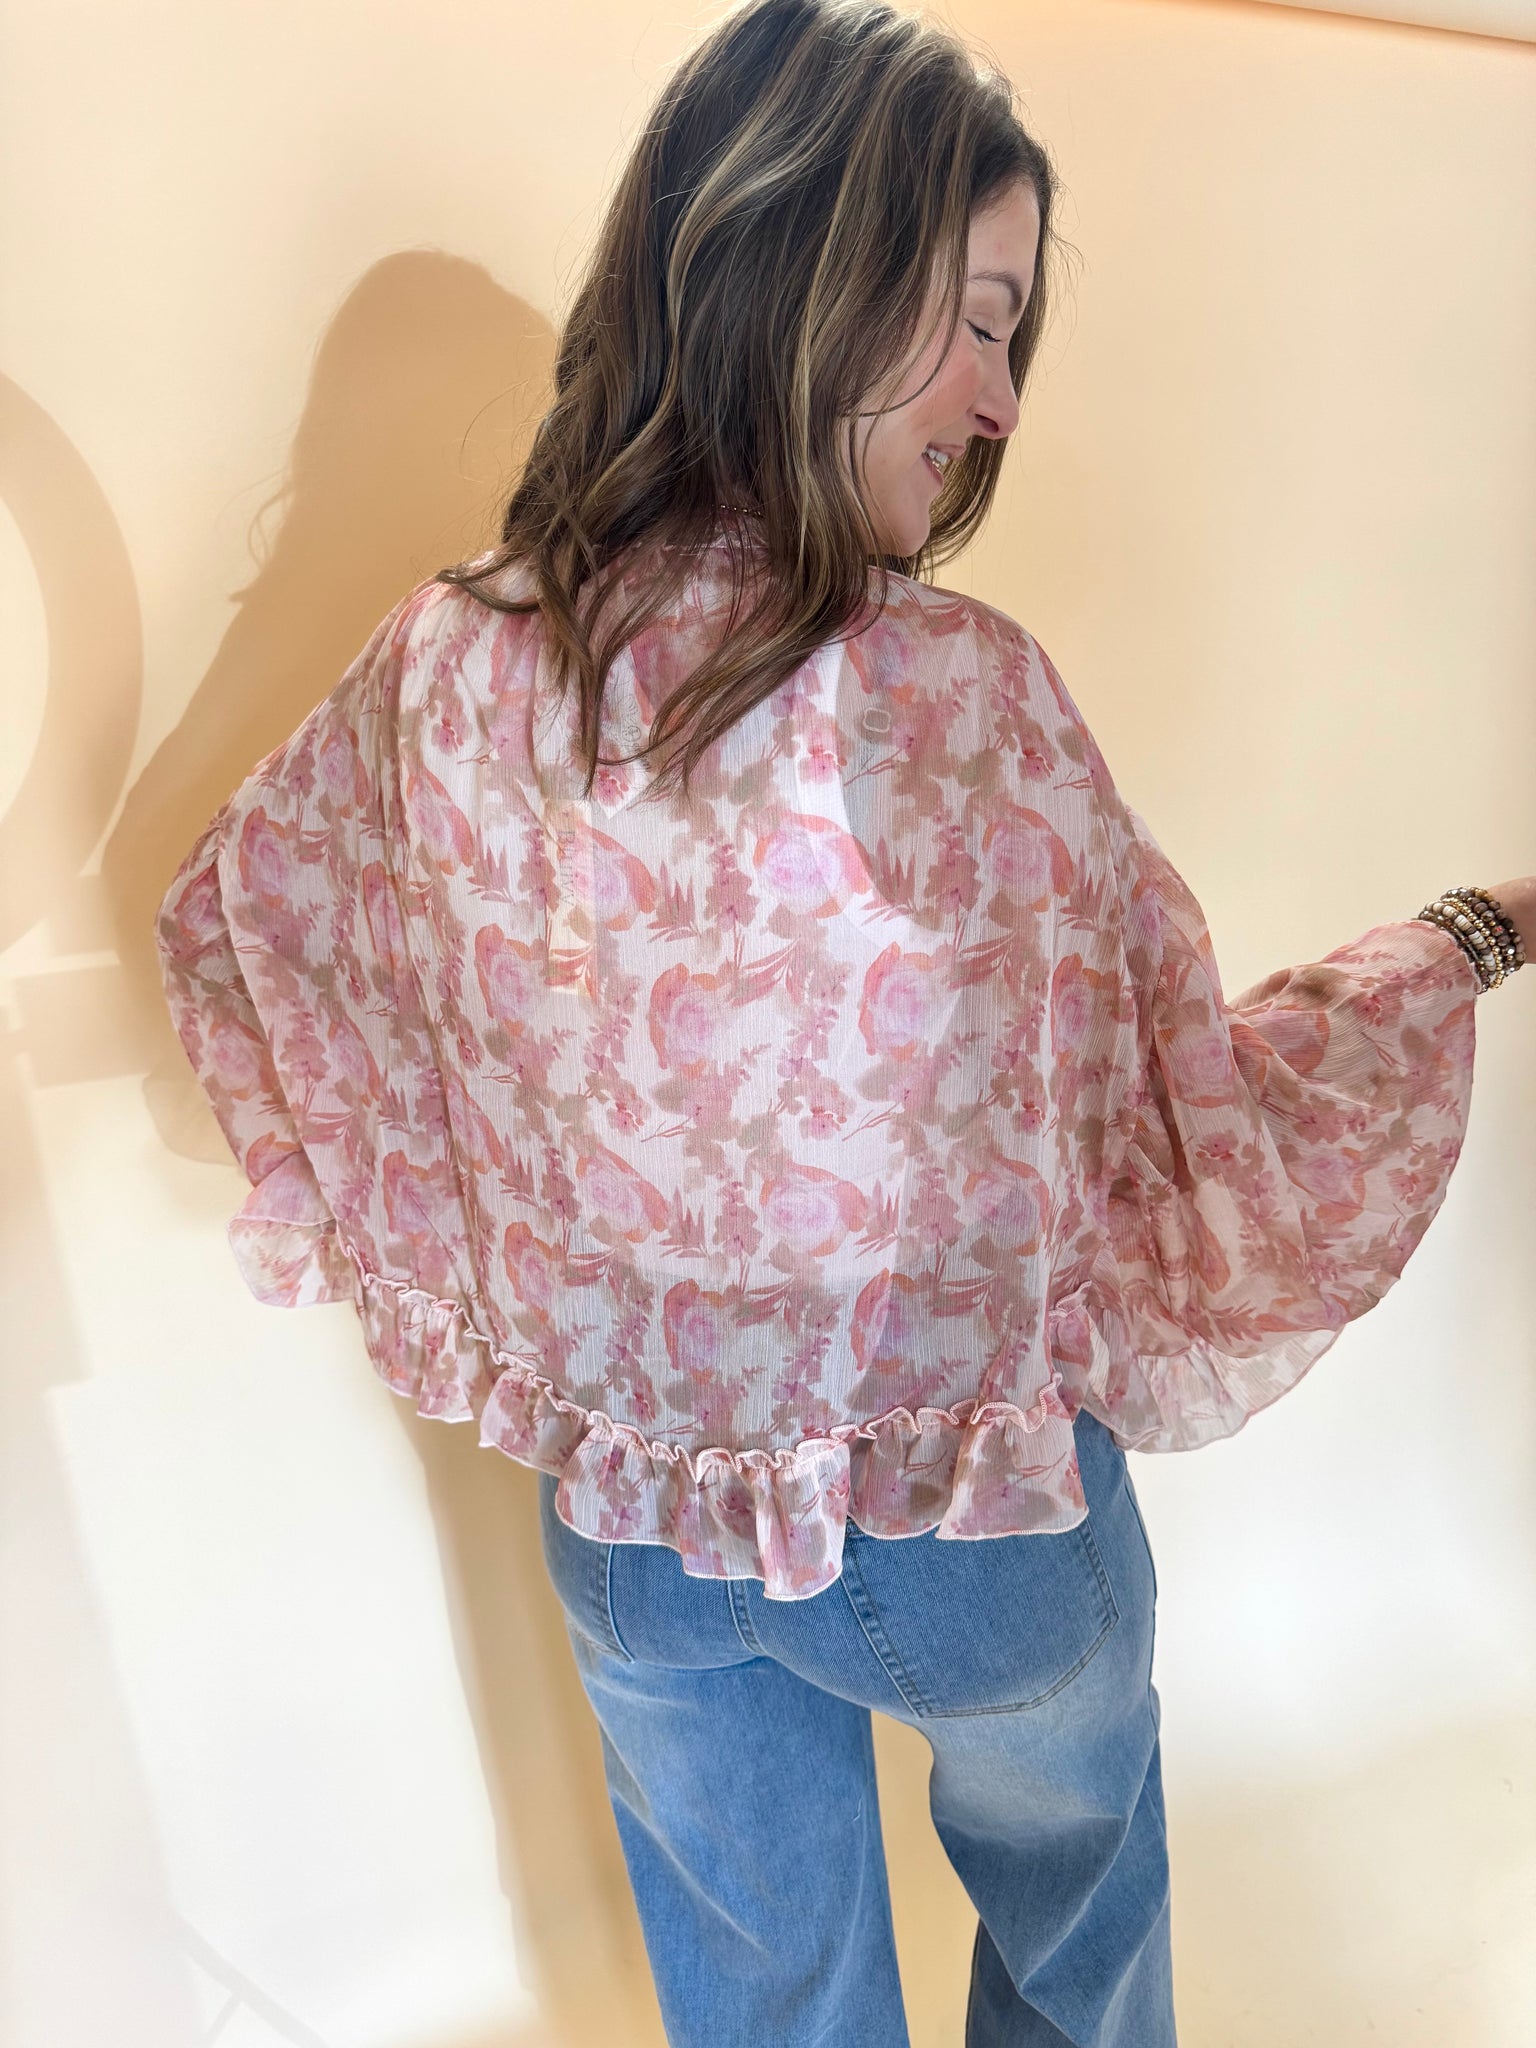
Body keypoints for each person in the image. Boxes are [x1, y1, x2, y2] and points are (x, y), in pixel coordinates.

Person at [151, 1, 1533, 2042]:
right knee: (1080, 1936)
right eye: (974, 318)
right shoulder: (966, 700)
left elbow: (242, 932)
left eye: (1011, 336)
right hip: (970, 1541)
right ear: (802, 257)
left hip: (629, 1527)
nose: (999, 397)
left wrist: (518, 1254)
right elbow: (1188, 1121)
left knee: (767, 2003)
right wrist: (1464, 939)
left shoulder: (441, 664)